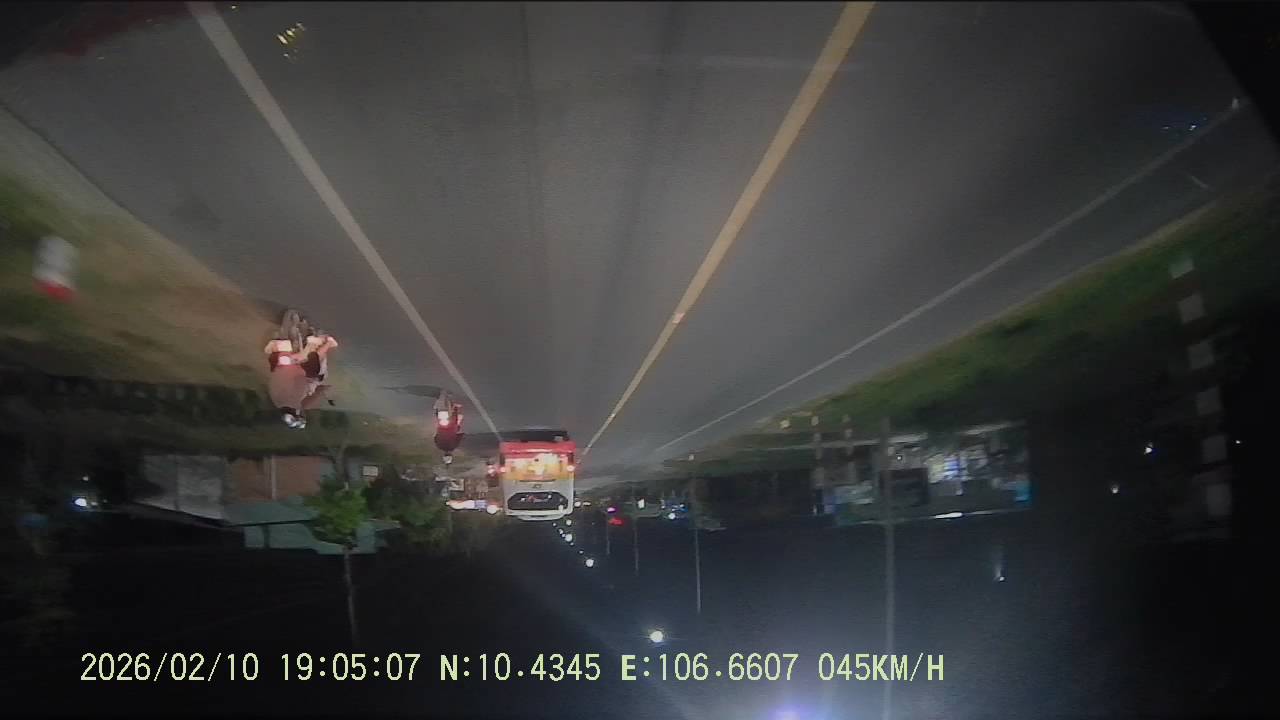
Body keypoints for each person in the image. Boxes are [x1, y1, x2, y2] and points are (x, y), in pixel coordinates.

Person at [265, 333, 338, 428]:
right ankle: (276, 345)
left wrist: (323, 387)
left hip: (297, 370)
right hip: (280, 367)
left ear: (296, 413)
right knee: (274, 362)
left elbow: (306, 385)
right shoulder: (276, 401)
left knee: (314, 368)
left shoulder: (297, 402)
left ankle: (328, 342)